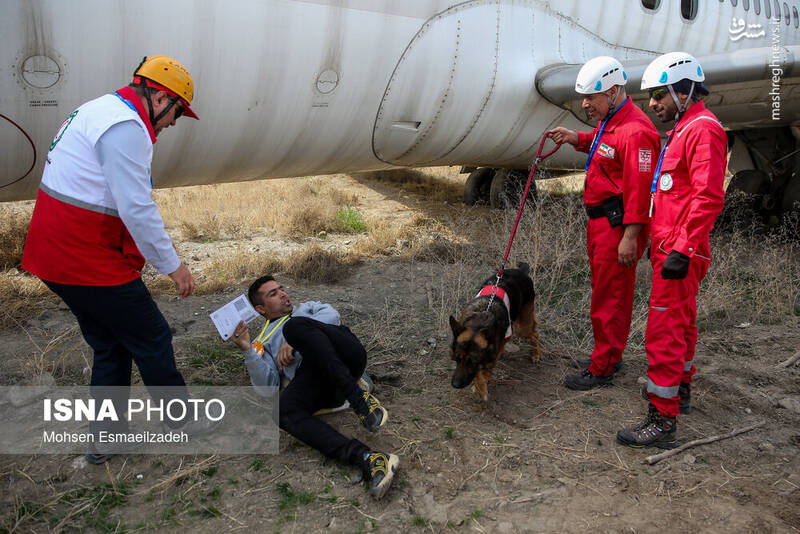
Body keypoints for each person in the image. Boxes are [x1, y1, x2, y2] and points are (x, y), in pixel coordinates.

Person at [21, 56, 205, 463]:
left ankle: (105, 439)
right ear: (159, 97)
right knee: (152, 336)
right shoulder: (125, 127)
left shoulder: (99, 108)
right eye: (177, 111)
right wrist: (174, 266)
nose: (174, 123)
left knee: (111, 345)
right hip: (84, 257)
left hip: (55, 254)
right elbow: (136, 207)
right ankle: (182, 420)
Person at [617, 52, 727, 449]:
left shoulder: (703, 130)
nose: (652, 103)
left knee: (663, 331)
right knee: (681, 325)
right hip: (671, 248)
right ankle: (679, 392)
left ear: (684, 91)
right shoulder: (683, 130)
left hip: (680, 250)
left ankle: (662, 422)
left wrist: (682, 247)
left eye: (659, 94)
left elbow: (709, 196)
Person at [230, 275, 399, 500]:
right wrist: (247, 350)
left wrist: (294, 340)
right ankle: (369, 459)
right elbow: (266, 387)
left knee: (295, 327)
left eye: (281, 289)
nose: (283, 294)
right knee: (280, 409)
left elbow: (333, 316)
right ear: (261, 309)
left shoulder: (306, 309)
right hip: (317, 380)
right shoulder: (263, 341)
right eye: (273, 294)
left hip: (347, 354)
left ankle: (358, 398)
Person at [547, 56, 660, 390]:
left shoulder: (636, 132)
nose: (585, 104)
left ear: (611, 92)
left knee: (610, 298)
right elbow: (605, 148)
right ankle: (608, 353)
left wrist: (631, 236)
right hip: (602, 224)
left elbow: (641, 192)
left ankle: (603, 367)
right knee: (604, 292)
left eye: (590, 97)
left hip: (619, 226)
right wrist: (576, 138)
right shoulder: (613, 122)